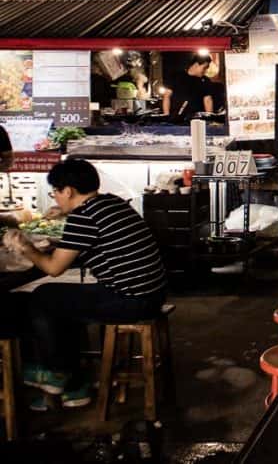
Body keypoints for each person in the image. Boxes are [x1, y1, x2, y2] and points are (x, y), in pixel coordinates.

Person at [2, 159, 167, 410]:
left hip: (131, 300)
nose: (55, 198)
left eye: (55, 192)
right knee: (58, 302)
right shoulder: (110, 202)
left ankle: (57, 373)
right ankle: (75, 385)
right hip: (152, 293)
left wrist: (24, 245)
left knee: (44, 296)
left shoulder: (83, 217)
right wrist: (66, 214)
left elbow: (54, 268)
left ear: (67, 191)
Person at [162, 52, 213, 120]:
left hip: (197, 120)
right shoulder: (176, 77)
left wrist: (209, 119)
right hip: (175, 119)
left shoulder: (205, 81)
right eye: (204, 68)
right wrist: (166, 115)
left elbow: (208, 100)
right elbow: (167, 96)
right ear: (196, 64)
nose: (205, 71)